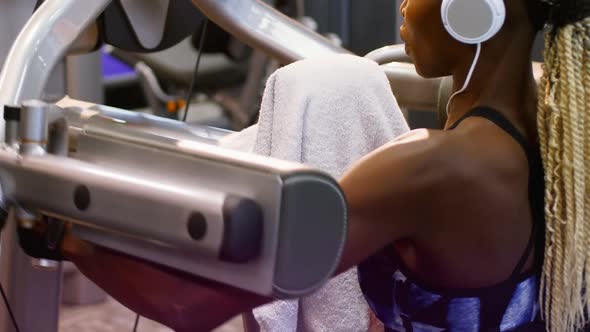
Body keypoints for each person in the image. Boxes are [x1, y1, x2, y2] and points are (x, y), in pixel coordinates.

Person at [61, 0, 590, 331]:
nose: (403, 7)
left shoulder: (432, 168)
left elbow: (189, 306)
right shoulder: (561, 123)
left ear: (474, 10)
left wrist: (61, 229)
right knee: (337, 81)